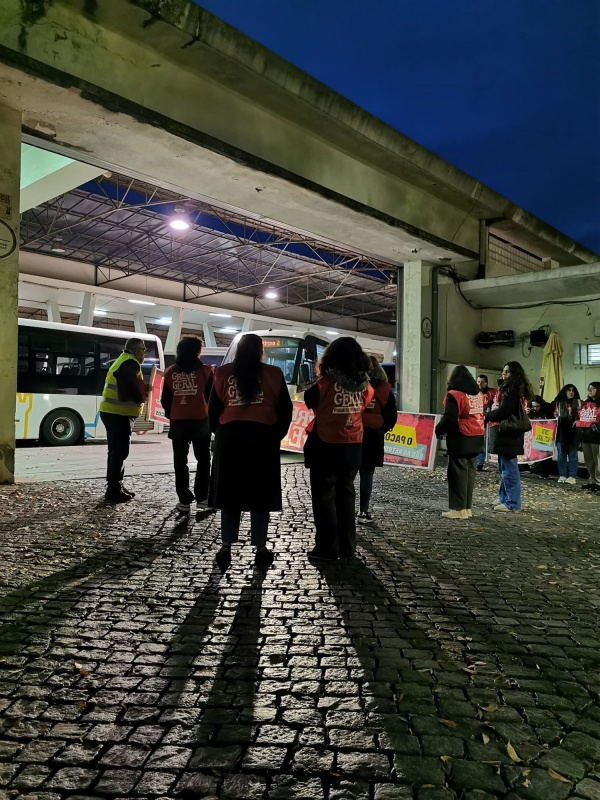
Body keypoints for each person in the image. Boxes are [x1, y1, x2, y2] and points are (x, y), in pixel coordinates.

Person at [208, 334, 292, 566]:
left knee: (229, 494)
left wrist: (221, 432)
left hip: (230, 438)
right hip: (263, 439)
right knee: (260, 495)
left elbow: (213, 411)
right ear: (260, 350)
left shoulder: (222, 373)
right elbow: (285, 410)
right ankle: (261, 547)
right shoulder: (274, 374)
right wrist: (275, 435)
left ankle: (226, 547)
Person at [304, 337, 373, 561]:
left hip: (326, 444)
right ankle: (347, 547)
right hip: (353, 445)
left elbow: (309, 399)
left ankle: (326, 548)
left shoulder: (325, 384)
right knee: (346, 495)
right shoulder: (366, 386)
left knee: (324, 498)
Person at [161, 336, 214, 513]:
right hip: (201, 421)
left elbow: (165, 400)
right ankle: (202, 498)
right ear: (198, 352)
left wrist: (173, 415)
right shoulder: (207, 371)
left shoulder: (170, 372)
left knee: (179, 461)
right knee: (204, 459)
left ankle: (184, 500)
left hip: (179, 422)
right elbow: (211, 399)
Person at [99, 338, 148, 503]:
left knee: (115, 451)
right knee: (120, 452)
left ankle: (115, 485)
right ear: (135, 350)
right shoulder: (130, 363)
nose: (145, 353)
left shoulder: (123, 360)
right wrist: (142, 395)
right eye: (143, 349)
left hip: (112, 413)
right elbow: (127, 384)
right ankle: (113, 489)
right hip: (118, 414)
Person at [435, 366, 484, 519]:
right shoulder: (478, 394)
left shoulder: (454, 395)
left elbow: (449, 417)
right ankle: (467, 507)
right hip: (477, 435)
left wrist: (439, 430)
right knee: (470, 473)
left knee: (457, 473)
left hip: (460, 436)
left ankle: (458, 508)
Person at [485, 361, 533, 512]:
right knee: (504, 466)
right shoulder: (513, 389)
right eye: (503, 371)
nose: (503, 374)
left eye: (507, 372)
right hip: (508, 433)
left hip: (508, 433)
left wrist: (487, 415)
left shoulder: (511, 390)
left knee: (509, 468)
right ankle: (504, 498)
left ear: (515, 374)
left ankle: (512, 503)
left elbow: (504, 411)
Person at [357, 356, 397, 524]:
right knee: (367, 474)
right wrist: (381, 428)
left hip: (354, 432)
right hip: (373, 436)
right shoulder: (386, 391)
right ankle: (363, 511)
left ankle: (341, 509)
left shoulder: (355, 386)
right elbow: (391, 416)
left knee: (347, 474)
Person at [551, 384, 580, 485]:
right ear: (564, 392)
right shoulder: (557, 403)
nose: (571, 392)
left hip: (574, 433)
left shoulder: (579, 403)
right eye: (569, 390)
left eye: (573, 390)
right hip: (561, 433)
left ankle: (572, 476)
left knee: (573, 455)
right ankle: (562, 475)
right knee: (561, 455)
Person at [575, 382, 600, 492]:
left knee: (598, 460)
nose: (590, 391)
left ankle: (599, 481)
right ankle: (592, 479)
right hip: (586, 436)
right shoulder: (585, 403)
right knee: (589, 460)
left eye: (593, 388)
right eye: (589, 389)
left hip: (597, 437)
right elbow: (579, 417)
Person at [476, 374, 496, 472]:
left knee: (483, 442)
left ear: (486, 383)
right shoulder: (473, 392)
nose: (480, 384)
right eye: (478, 381)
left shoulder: (492, 392)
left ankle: (479, 463)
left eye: (482, 382)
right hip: (475, 421)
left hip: (487, 420)